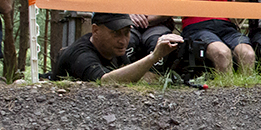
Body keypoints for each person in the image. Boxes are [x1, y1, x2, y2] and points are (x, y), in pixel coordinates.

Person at [54, 12, 182, 83]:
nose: (123, 40)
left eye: (126, 33)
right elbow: (105, 82)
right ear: (95, 30)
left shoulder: (113, 48)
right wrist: (154, 57)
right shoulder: (81, 54)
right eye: (115, 33)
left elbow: (129, 76)